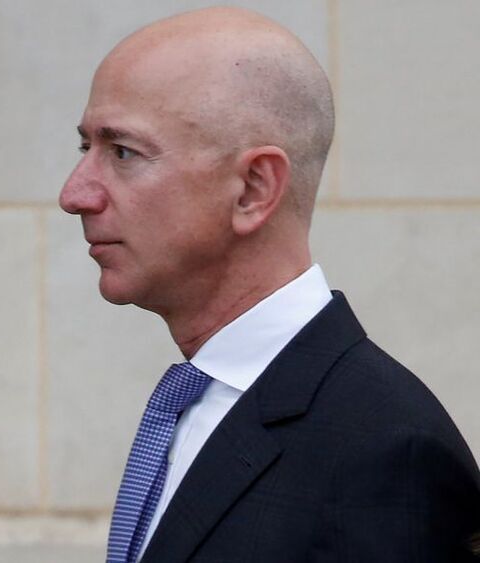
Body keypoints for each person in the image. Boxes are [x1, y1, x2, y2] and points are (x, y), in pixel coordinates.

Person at [58, 6, 480, 562]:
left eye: (123, 152)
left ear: (254, 189)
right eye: (85, 148)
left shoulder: (386, 452)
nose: (75, 194)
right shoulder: (200, 403)